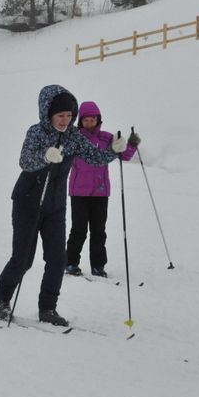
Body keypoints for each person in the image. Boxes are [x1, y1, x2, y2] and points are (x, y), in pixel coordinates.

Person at [0, 85, 136, 326]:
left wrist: (114, 149)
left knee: (57, 259)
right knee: (23, 259)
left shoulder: (73, 136)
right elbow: (24, 161)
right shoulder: (36, 133)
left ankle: (48, 308)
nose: (65, 120)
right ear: (47, 113)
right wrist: (44, 157)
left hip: (55, 205)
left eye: (69, 116)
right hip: (28, 202)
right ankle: (2, 298)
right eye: (60, 115)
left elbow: (95, 157)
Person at [64, 101, 139, 278]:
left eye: (93, 120)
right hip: (78, 192)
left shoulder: (106, 138)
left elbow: (124, 155)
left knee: (99, 230)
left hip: (100, 192)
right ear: (80, 121)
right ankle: (70, 262)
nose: (89, 123)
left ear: (98, 120)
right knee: (78, 230)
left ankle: (98, 266)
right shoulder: (75, 138)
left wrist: (132, 144)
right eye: (86, 120)